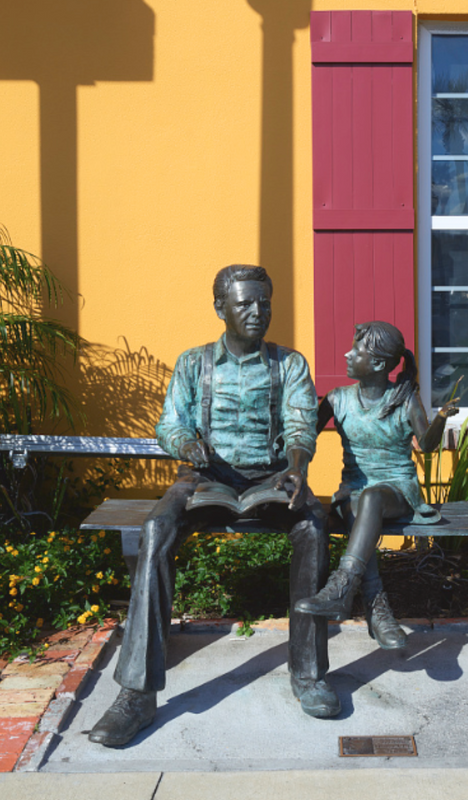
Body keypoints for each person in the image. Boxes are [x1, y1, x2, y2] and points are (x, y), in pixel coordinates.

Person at [89, 265, 338, 748]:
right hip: (203, 480)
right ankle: (135, 695)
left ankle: (308, 675)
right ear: (220, 307)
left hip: (271, 477)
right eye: (244, 303)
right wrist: (186, 445)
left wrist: (297, 467)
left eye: (264, 302)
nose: (257, 312)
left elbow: (301, 423)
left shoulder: (289, 365)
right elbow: (170, 423)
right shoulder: (193, 363)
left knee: (312, 525)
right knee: (157, 529)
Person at [294, 321, 458, 647]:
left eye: (357, 350)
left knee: (371, 498)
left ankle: (343, 587)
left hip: (397, 492)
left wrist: (440, 419)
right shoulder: (338, 399)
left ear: (379, 364)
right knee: (361, 505)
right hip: (350, 494)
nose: (347, 353)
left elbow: (425, 445)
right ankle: (376, 606)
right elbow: (302, 435)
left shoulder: (405, 400)